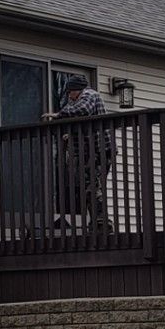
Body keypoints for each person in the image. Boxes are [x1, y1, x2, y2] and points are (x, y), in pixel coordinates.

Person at [42, 75, 115, 231]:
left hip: (98, 149)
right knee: (90, 186)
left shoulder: (90, 94)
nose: (69, 95)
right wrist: (70, 134)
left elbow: (83, 110)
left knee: (93, 186)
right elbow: (79, 119)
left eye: (70, 92)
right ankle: (98, 221)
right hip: (88, 151)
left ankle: (102, 222)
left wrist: (58, 114)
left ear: (78, 90)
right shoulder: (73, 101)